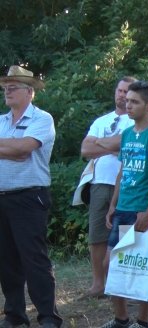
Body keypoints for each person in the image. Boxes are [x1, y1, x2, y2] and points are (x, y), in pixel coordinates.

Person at [0, 65, 62, 327]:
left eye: (13, 87)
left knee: (34, 258)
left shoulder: (42, 119)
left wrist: (15, 148)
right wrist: (10, 149)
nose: (7, 91)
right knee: (6, 259)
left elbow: (25, 148)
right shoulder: (1, 120)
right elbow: (16, 150)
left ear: (30, 92)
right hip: (2, 197)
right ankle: (14, 314)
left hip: (29, 197)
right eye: (5, 87)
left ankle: (48, 315)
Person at [101, 81, 148, 328]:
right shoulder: (126, 134)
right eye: (127, 100)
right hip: (123, 207)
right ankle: (121, 318)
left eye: (134, 101)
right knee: (111, 264)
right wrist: (112, 203)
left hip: (143, 210)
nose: (128, 105)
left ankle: (143, 321)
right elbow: (123, 171)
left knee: (144, 267)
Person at [80, 76, 137, 298]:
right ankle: (98, 284)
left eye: (127, 92)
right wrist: (113, 146)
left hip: (126, 182)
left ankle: (120, 285)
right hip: (98, 182)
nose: (122, 95)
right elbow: (85, 149)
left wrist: (103, 144)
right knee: (96, 234)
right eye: (120, 90)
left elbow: (125, 145)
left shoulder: (135, 121)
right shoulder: (101, 121)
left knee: (124, 234)